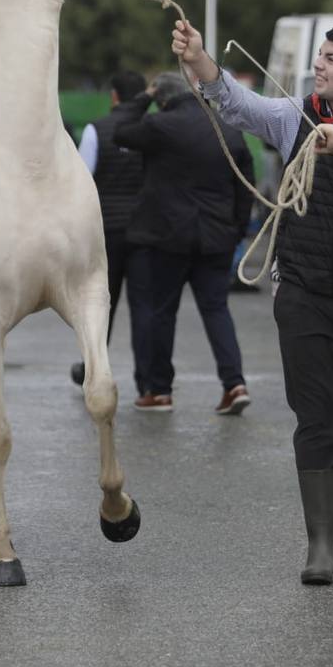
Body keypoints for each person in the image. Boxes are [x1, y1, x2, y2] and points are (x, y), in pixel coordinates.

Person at [172, 19, 333, 585]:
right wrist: (200, 60)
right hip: (306, 296)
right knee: (314, 421)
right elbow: (238, 106)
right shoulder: (296, 115)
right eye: (320, 56)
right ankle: (320, 546)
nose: (319, 66)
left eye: (332, 59)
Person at [112, 72, 254, 413]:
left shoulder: (161, 125)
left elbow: (121, 131)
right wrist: (234, 230)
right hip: (216, 238)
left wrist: (142, 98)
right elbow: (244, 183)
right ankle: (234, 384)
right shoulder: (226, 128)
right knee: (217, 310)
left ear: (162, 98)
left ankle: (160, 391)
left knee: (163, 313)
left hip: (168, 238)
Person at [67, 71, 150, 389]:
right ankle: (148, 381)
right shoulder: (150, 129)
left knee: (101, 303)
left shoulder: (95, 130)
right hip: (144, 228)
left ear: (114, 96)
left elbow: (82, 181)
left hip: (106, 232)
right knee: (144, 307)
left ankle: (92, 369)